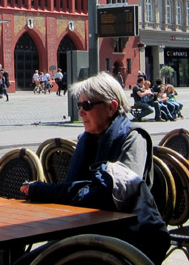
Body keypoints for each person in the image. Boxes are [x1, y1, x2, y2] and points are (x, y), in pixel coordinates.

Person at [19, 72, 167, 264]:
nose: (80, 112)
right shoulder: (85, 140)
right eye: (79, 105)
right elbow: (79, 192)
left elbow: (110, 195)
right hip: (84, 232)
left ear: (111, 107)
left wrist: (44, 191)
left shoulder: (133, 138)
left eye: (87, 105)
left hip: (125, 242)